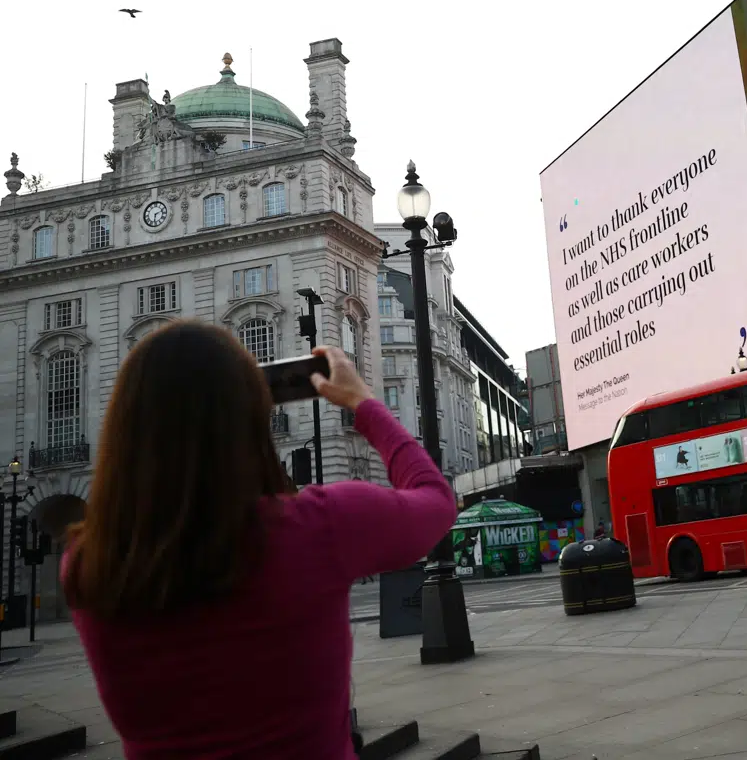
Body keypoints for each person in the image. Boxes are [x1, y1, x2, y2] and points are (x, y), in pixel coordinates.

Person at [63, 321, 456, 759]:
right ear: (249, 414)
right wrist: (362, 403)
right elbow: (435, 501)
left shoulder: (85, 563)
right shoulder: (317, 527)